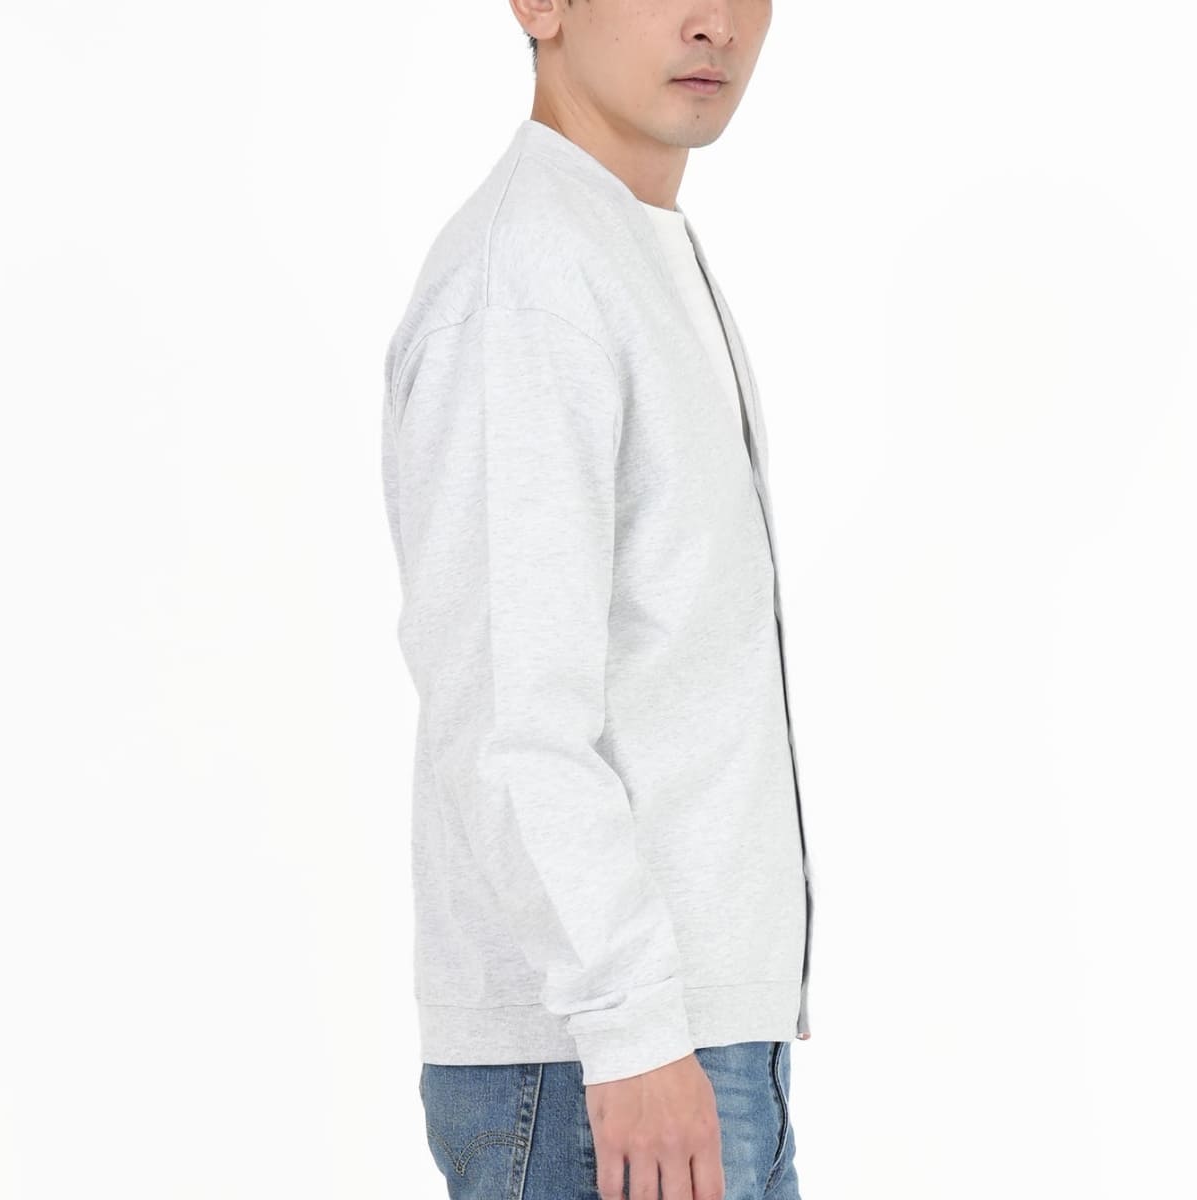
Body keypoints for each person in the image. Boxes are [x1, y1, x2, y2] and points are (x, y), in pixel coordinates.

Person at [380, 2, 814, 1196]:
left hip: (686, 1039)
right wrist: (631, 1026)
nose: (714, 21)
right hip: (602, 1062)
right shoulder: (527, 281)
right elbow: (509, 715)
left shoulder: (626, 248)